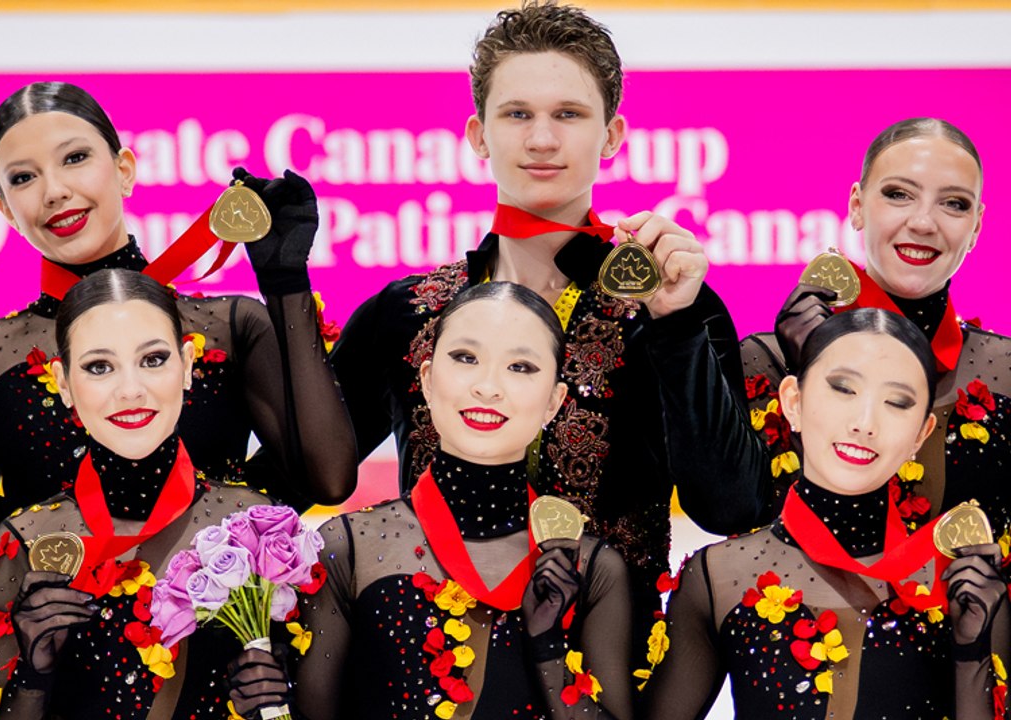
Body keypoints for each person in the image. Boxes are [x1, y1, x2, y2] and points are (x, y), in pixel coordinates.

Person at [329, 0, 752, 626]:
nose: (543, 138)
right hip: (431, 673)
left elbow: (730, 508)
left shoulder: (671, 305)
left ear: (611, 136)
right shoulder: (408, 314)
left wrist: (676, 324)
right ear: (478, 134)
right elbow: (312, 475)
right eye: (517, 113)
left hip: (607, 673)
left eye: (569, 114)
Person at [0, 81, 355, 547]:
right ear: (6, 210)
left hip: (218, 613)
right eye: (23, 178)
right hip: (56, 614)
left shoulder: (230, 327)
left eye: (74, 158)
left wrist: (285, 280)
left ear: (124, 169)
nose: (54, 191)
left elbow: (327, 480)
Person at [267, 282, 632, 720]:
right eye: (466, 358)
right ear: (425, 378)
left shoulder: (591, 568)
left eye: (521, 366)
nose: (488, 387)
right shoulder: (347, 547)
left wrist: (548, 649)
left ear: (554, 402)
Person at [641, 308, 1008, 719]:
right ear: (793, 402)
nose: (864, 423)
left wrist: (972, 652)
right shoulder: (718, 576)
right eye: (843, 389)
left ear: (920, 434)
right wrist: (550, 646)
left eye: (897, 402)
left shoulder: (961, 580)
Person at [0, 268, 295, 719]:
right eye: (99, 367)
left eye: (153, 359)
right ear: (63, 383)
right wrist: (32, 675)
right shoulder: (23, 540)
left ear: (186, 366)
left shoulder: (256, 527)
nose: (130, 390)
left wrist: (275, 701)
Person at [735, 118, 1009, 538]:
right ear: (857, 206)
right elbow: (727, 514)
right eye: (899, 195)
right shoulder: (768, 360)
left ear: (976, 226)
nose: (923, 223)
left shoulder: (1003, 370)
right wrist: (812, 371)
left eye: (954, 203)